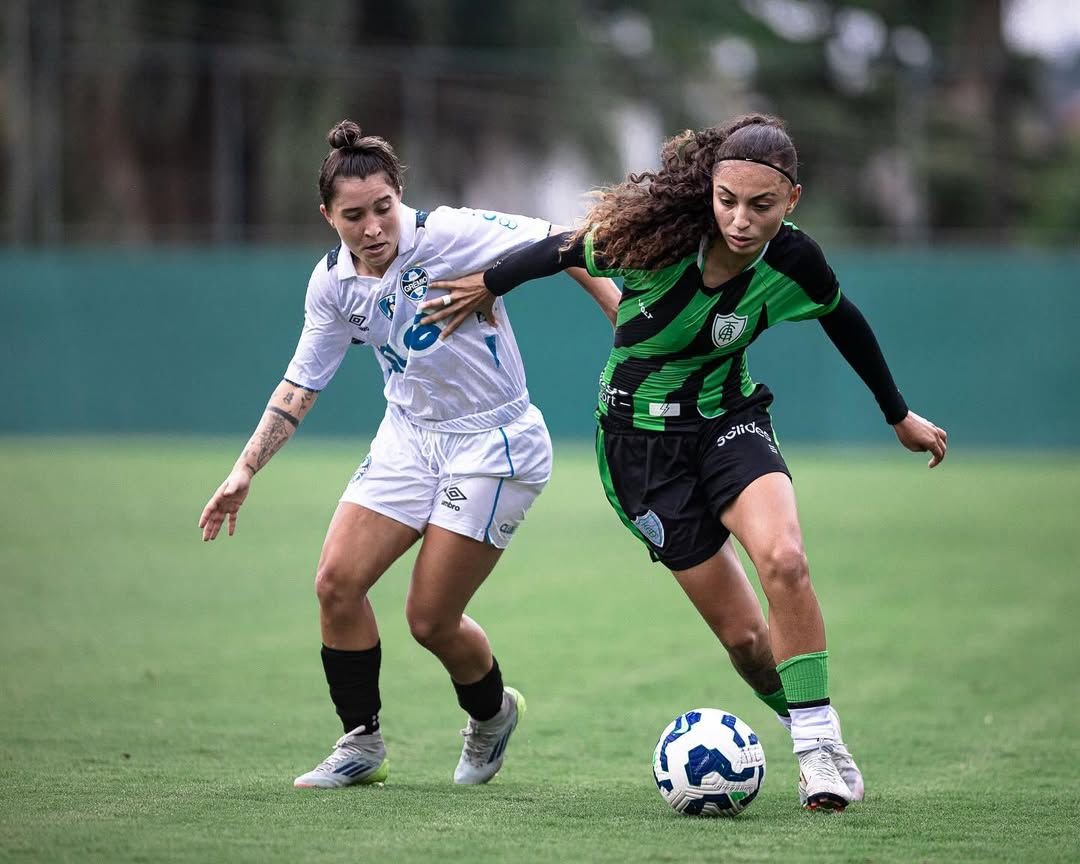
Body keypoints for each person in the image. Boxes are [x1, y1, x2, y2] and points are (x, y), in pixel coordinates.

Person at [420, 113, 948, 811]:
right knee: (746, 638)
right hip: (639, 451)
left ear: (791, 200)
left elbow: (841, 317)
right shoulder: (652, 244)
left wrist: (898, 414)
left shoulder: (795, 260)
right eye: (726, 200)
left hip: (729, 421)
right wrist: (489, 282)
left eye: (760, 205)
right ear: (709, 191)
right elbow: (560, 249)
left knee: (785, 560)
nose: (739, 219)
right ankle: (809, 721)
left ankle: (820, 750)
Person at [199, 120, 619, 789]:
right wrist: (245, 467)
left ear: (401, 196)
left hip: (494, 442)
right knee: (336, 584)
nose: (372, 228)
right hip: (408, 439)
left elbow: (564, 242)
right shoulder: (333, 283)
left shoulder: (449, 232)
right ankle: (360, 743)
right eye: (353, 215)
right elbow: (301, 383)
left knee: (429, 619)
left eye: (383, 208)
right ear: (327, 217)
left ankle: (490, 716)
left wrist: (619, 316)